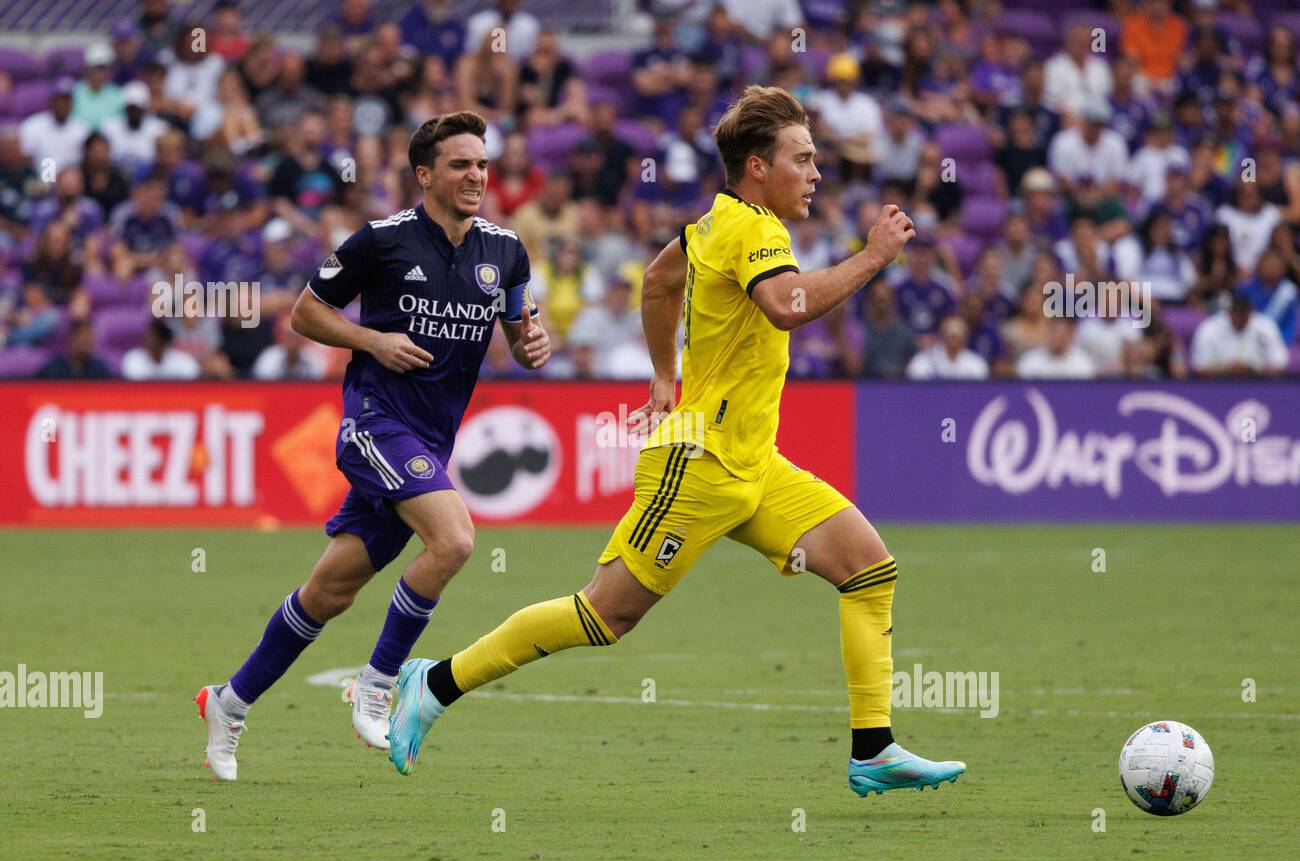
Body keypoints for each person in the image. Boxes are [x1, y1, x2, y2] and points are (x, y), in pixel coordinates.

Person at [385, 86, 967, 798]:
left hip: (753, 464)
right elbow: (786, 306)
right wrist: (874, 255)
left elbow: (661, 282)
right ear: (757, 167)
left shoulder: (712, 225)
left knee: (869, 570)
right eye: (803, 159)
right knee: (604, 615)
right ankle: (435, 684)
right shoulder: (754, 230)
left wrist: (667, 374)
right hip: (699, 464)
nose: (816, 173)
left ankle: (873, 748)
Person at [194, 112, 553, 781]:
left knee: (328, 593)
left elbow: (523, 331)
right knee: (455, 541)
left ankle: (228, 703)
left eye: (482, 164)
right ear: (425, 174)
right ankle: (379, 683)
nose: (476, 175)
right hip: (374, 423)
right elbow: (305, 312)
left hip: (430, 440)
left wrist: (535, 345)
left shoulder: (505, 251)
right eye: (460, 164)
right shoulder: (381, 242)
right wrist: (373, 340)